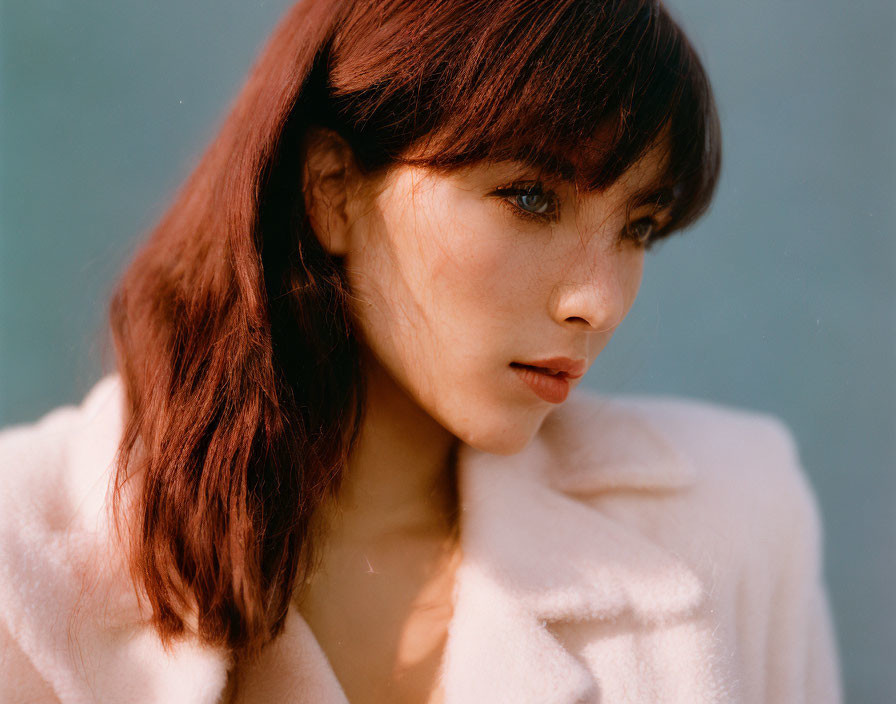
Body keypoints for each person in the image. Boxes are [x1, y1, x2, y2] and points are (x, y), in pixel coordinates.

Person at [0, 0, 843, 702]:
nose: (600, 302)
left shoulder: (738, 518)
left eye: (639, 227)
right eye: (529, 196)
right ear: (331, 191)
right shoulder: (23, 555)